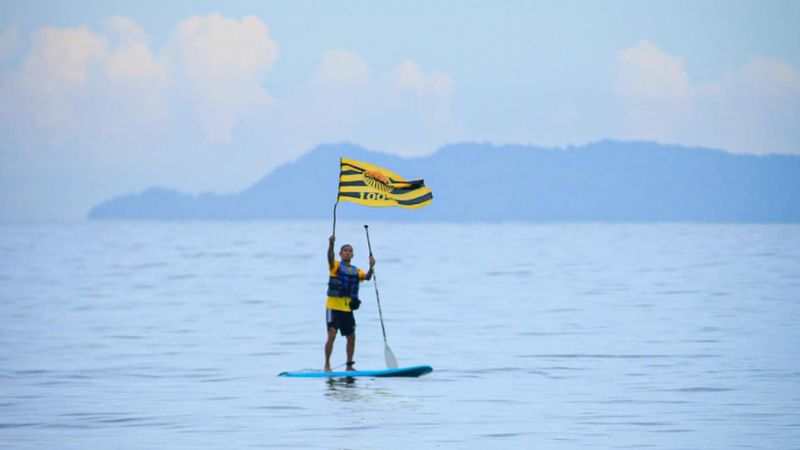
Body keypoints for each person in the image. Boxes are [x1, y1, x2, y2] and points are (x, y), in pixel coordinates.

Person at [325, 234, 374, 372]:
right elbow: (329, 257)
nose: (347, 252)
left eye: (350, 250)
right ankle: (327, 365)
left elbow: (368, 277)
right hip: (333, 308)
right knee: (332, 334)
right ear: (340, 254)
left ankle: (349, 365)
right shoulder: (334, 266)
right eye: (345, 250)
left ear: (352, 254)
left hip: (347, 310)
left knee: (351, 337)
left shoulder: (356, 270)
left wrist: (371, 266)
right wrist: (331, 245)